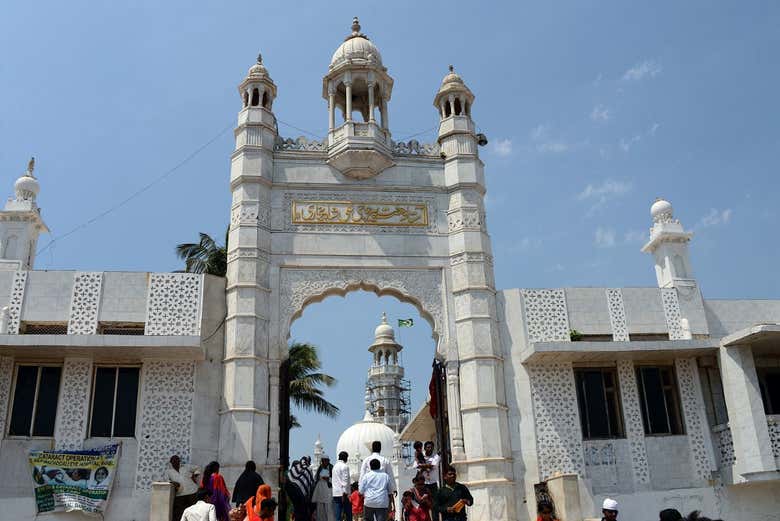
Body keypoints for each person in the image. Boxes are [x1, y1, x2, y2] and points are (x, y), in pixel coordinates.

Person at [167, 455, 201, 521]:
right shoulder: (169, 471)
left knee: (194, 511)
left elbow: (197, 468)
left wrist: (195, 475)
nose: (176, 462)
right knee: (179, 513)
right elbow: (166, 480)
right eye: (174, 460)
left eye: (177, 460)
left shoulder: (186, 467)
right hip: (180, 494)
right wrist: (172, 482)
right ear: (171, 462)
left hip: (192, 492)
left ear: (179, 461)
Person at [312, 455, 335, 521]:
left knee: (329, 508)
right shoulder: (320, 467)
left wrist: (328, 479)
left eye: (325, 460)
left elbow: (335, 479)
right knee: (320, 508)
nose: (324, 462)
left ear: (328, 461)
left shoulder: (331, 468)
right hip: (320, 490)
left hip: (328, 490)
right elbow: (316, 478)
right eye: (323, 460)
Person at [333, 452, 352, 521]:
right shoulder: (344, 466)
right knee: (348, 514)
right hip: (343, 494)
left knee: (338, 513)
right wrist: (344, 493)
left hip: (335, 493)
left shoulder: (335, 466)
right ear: (346, 458)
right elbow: (345, 480)